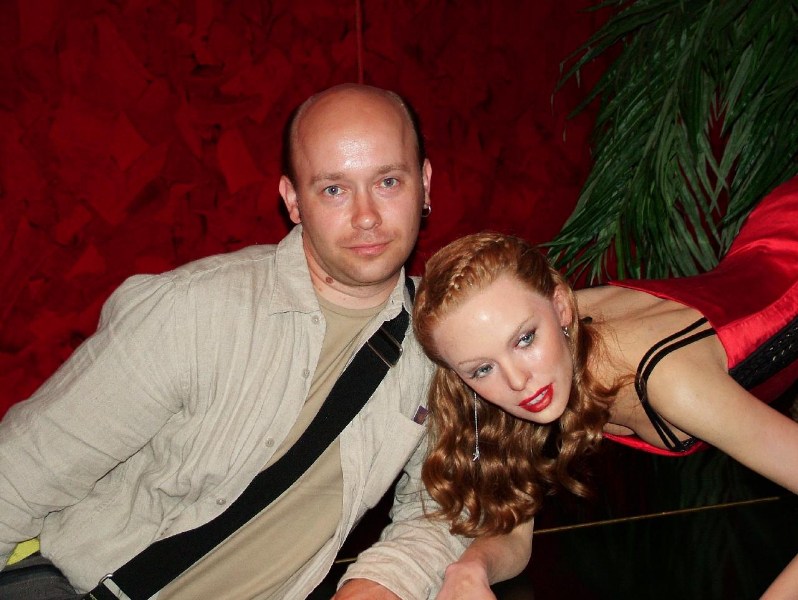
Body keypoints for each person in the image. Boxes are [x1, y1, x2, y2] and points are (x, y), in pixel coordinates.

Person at [0, 84, 531, 600]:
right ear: (293, 201)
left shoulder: (440, 342)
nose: (367, 216)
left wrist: (382, 583)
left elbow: (441, 509)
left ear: (425, 185)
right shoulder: (193, 312)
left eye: (388, 182)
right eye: (334, 189)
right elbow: (19, 474)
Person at [412, 176, 798, 597]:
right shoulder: (545, 330)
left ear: (561, 306)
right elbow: (516, 531)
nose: (517, 380)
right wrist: (471, 567)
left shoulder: (670, 384)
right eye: (483, 369)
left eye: (525, 339)